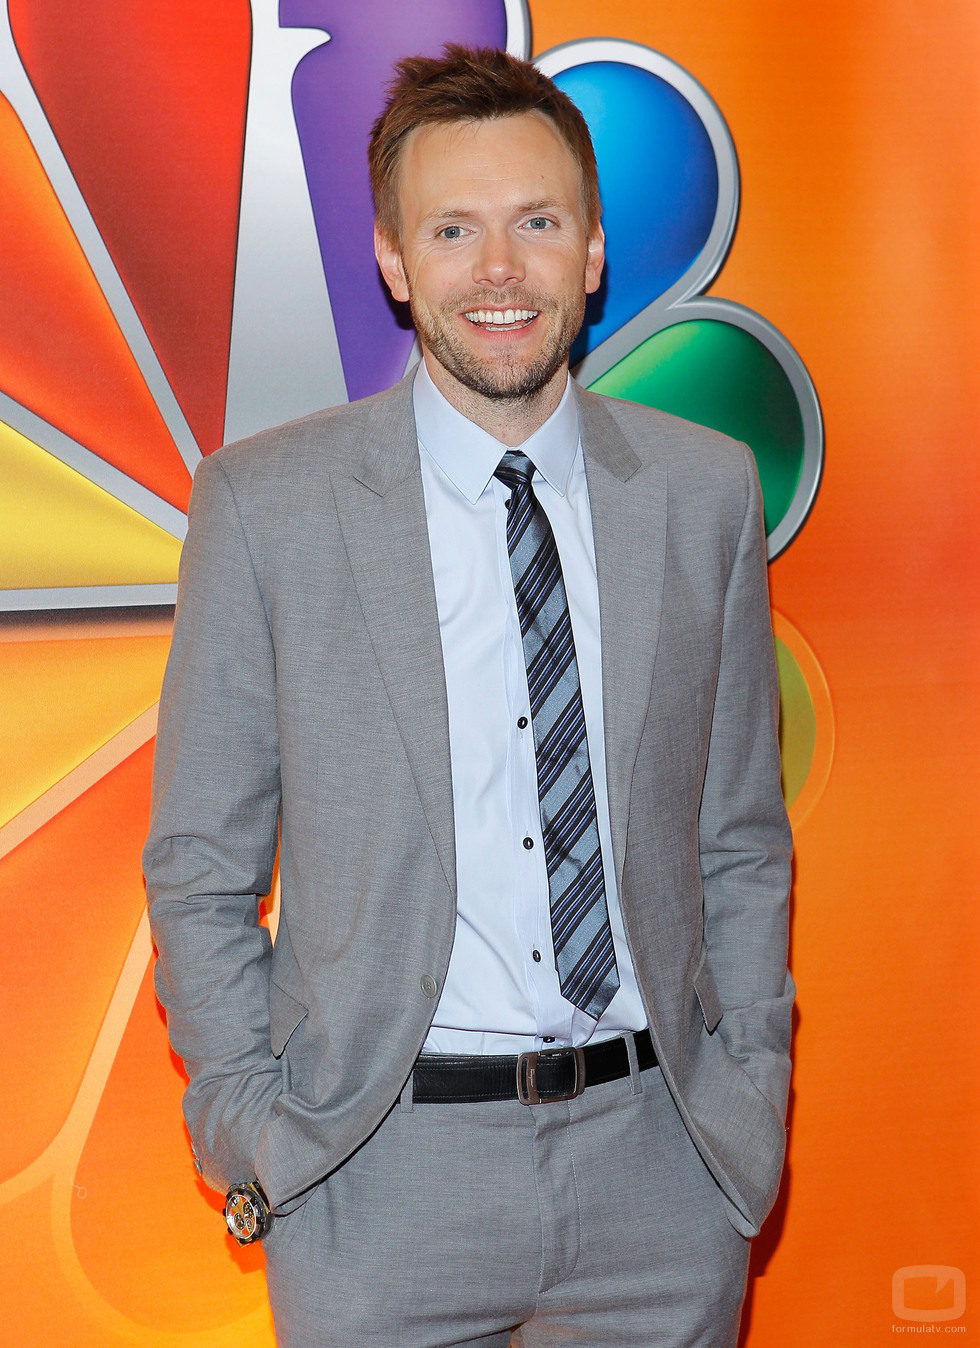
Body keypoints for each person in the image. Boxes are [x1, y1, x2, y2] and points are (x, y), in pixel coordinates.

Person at [144, 44, 794, 1347]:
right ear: (395, 260)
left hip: (661, 1169)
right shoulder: (266, 505)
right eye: (454, 229)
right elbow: (201, 861)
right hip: (377, 1175)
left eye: (536, 223)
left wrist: (752, 1089)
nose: (498, 270)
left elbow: (739, 836)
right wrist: (252, 1122)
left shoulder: (705, 491)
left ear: (595, 250)